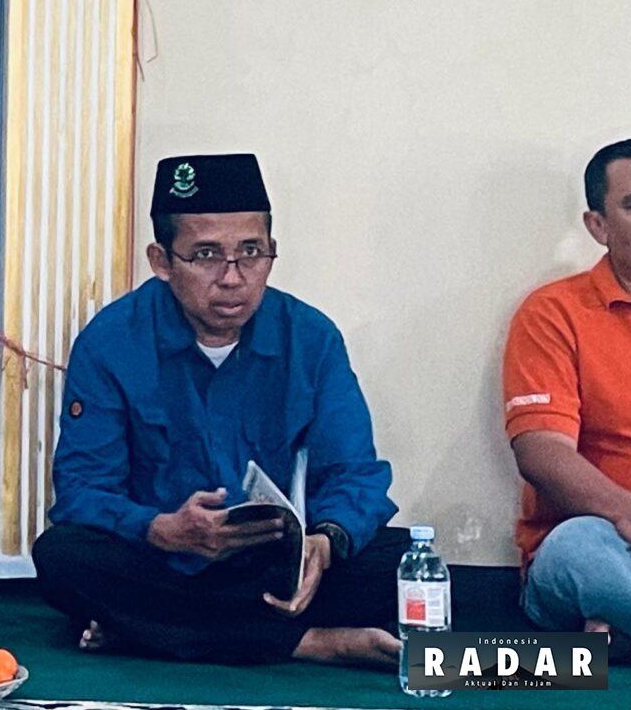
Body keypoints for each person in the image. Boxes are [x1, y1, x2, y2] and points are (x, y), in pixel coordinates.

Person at [32, 153, 406, 666]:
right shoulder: (111, 342)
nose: (232, 278)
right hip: (160, 560)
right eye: (206, 255)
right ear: (161, 261)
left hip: (267, 567)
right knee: (62, 557)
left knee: (397, 561)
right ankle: (313, 642)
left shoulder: (310, 338)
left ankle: (148, 631)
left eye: (251, 252)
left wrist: (324, 542)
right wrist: (160, 529)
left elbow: (355, 473)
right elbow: (81, 490)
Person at [502, 138, 631, 656]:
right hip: (603, 541)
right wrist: (627, 514)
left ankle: (616, 635)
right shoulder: (554, 313)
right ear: (598, 226)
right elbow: (541, 452)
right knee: (581, 552)